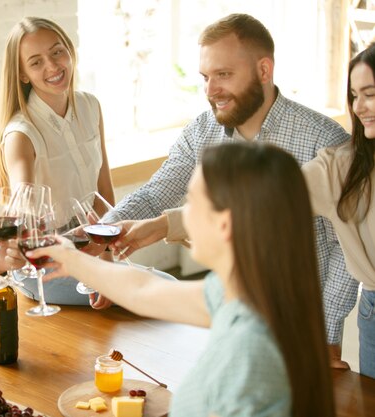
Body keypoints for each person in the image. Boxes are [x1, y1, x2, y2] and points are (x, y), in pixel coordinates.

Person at [108, 13, 356, 368]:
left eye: (223, 75)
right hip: (227, 317)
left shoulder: (324, 140)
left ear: (264, 71)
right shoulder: (203, 130)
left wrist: (327, 334)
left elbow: (343, 250)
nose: (210, 91)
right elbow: (154, 194)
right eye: (206, 77)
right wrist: (98, 233)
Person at [29, 142, 335, 416]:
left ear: (224, 224)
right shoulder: (246, 294)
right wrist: (71, 259)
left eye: (191, 203)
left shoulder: (248, 351)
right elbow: (143, 289)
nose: (183, 216)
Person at [0, 17, 173, 308]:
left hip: (88, 249)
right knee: (161, 294)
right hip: (43, 263)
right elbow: (24, 214)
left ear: (70, 51)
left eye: (56, 52)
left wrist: (106, 257)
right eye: (36, 62)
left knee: (166, 290)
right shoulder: (20, 134)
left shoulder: (90, 106)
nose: (52, 66)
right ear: (23, 74)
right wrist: (100, 270)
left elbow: (103, 190)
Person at [302, 43, 375, 379]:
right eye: (354, 95)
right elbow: (262, 199)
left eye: (370, 94)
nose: (359, 107)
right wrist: (164, 225)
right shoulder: (340, 168)